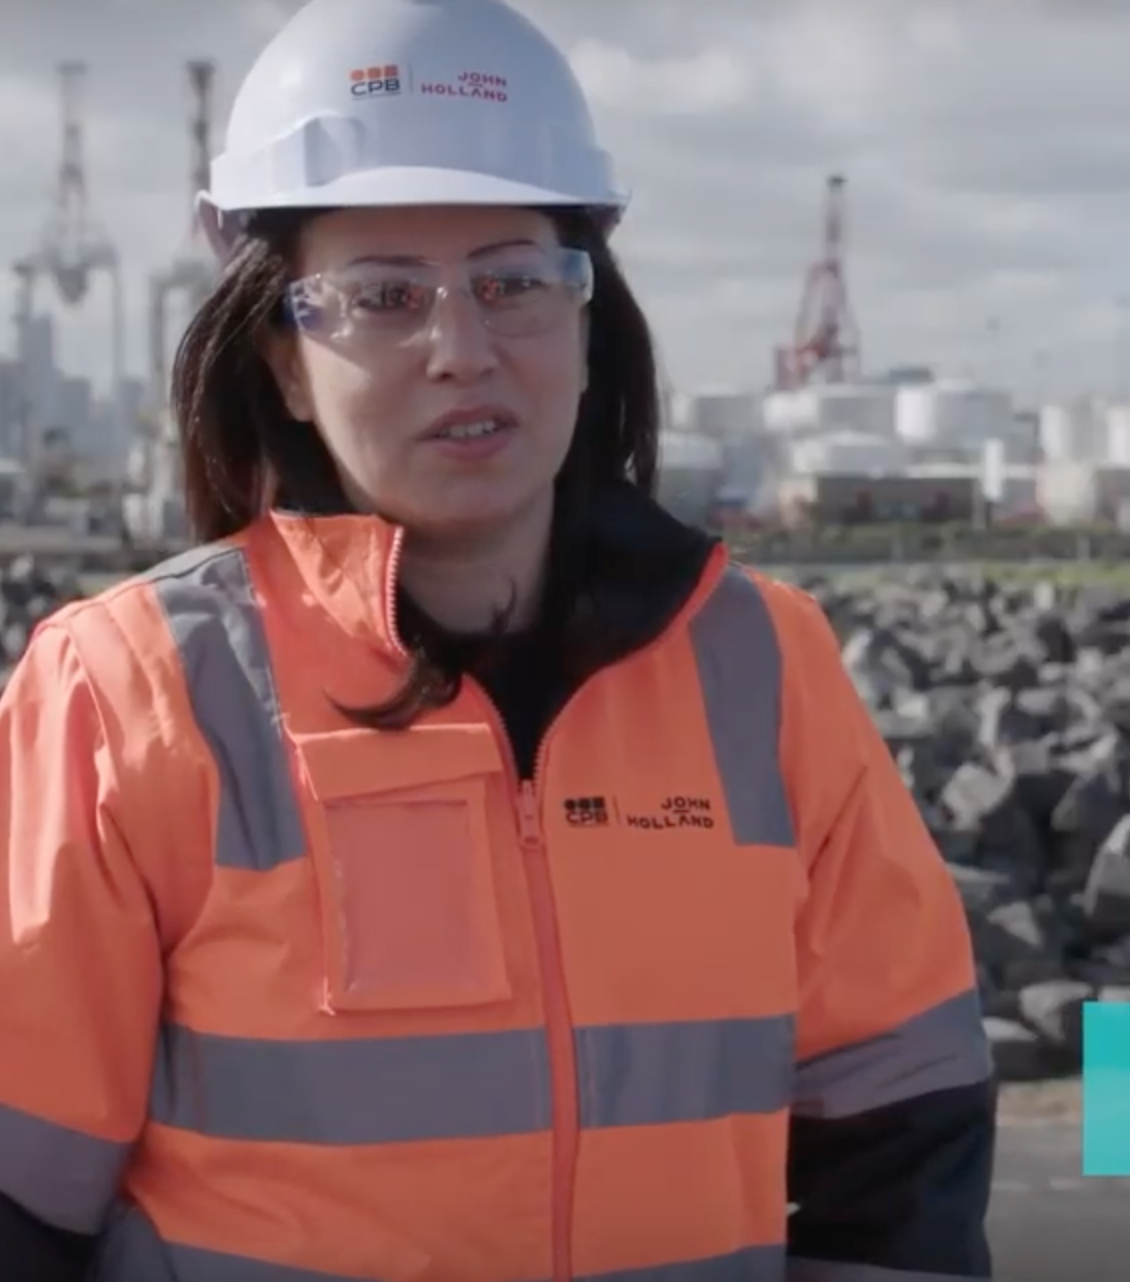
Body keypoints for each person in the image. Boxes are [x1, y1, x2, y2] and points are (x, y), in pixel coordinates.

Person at [0, 0, 997, 1278]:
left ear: (588, 317)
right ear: (286, 359)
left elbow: (900, 1131)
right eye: (383, 296)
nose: (459, 350)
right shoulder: (127, 690)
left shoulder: (765, 666)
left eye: (512, 282)